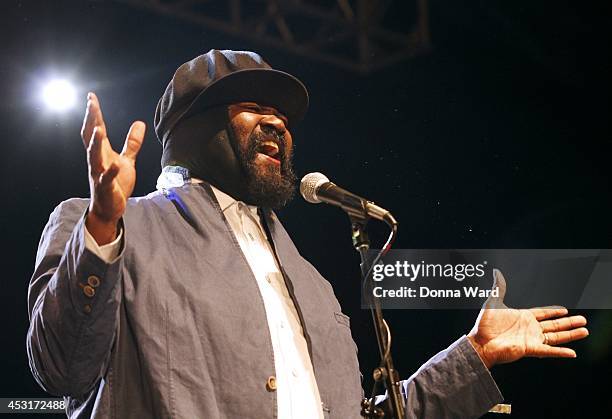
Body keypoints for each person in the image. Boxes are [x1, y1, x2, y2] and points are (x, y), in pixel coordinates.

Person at [27, 50, 589, 419]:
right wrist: (103, 223)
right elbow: (61, 368)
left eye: (284, 117)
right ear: (192, 130)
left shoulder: (311, 285)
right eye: (252, 108)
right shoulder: (105, 226)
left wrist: (473, 356)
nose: (277, 123)